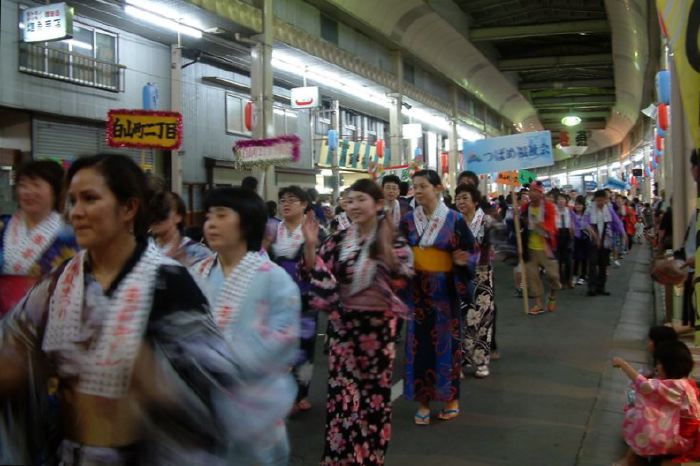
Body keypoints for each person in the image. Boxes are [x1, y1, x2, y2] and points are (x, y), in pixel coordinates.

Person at [0, 154, 235, 465]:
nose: (76, 212)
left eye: (90, 199)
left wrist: (157, 380)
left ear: (128, 208)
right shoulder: (59, 282)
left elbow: (218, 380)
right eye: (71, 201)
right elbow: (14, 346)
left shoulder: (168, 282)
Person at [303, 178, 413, 466]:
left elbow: (404, 277)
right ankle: (340, 458)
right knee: (342, 396)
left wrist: (388, 261)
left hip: (377, 331)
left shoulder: (394, 239)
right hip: (343, 328)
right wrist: (312, 247)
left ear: (378, 204)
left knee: (372, 397)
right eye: (350, 200)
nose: (354, 206)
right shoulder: (338, 239)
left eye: (361, 199)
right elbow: (318, 275)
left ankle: (369, 457)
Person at [190, 187, 301, 466]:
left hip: (253, 413)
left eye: (222, 215)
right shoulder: (196, 273)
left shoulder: (275, 280)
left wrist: (216, 360)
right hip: (200, 408)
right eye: (209, 216)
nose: (211, 223)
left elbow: (282, 344)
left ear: (247, 222)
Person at [401, 169, 475, 424]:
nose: (418, 191)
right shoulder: (409, 220)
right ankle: (423, 402)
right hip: (417, 294)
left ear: (438, 188)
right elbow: (399, 251)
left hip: (445, 294)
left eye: (423, 186)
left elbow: (471, 251)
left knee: (447, 349)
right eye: (415, 187)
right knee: (418, 348)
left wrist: (462, 262)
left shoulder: (454, 219)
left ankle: (450, 399)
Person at [0, 160, 79, 315]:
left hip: (48, 317)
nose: (28, 192)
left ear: (55, 191)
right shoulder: (3, 227)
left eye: (36, 185)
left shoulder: (70, 234)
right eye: (23, 185)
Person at [266, 186, 319, 414]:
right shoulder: (270, 228)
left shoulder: (314, 229)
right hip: (275, 296)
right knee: (277, 345)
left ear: (304, 205)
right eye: (282, 200)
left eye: (292, 200)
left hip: (304, 296)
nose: (285, 204)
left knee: (304, 348)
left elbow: (314, 267)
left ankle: (301, 394)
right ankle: (281, 394)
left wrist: (309, 244)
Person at [613, 341, 700, 465]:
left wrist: (624, 365)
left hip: (681, 439)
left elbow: (646, 387)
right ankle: (631, 458)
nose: (657, 367)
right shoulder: (685, 382)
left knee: (642, 418)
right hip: (681, 432)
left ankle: (630, 460)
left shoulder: (677, 385)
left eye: (659, 363)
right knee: (644, 413)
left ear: (669, 365)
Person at [455, 184, 495, 378]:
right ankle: (460, 361)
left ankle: (481, 360)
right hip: (461, 274)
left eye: (465, 198)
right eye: (458, 198)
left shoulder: (486, 221)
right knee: (462, 317)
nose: (461, 202)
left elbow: (498, 240)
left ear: (475, 201)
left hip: (482, 273)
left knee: (483, 319)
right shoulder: (453, 221)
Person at [519, 181, 561, 315]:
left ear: (540, 193)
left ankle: (553, 294)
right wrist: (517, 216)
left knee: (553, 275)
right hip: (529, 248)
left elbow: (552, 228)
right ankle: (538, 303)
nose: (531, 193)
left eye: (534, 191)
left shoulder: (549, 207)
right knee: (532, 276)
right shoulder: (525, 208)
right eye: (530, 191)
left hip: (545, 247)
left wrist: (538, 223)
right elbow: (519, 225)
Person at [148, 190, 211, 267]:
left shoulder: (197, 253)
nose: (155, 219)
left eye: (162, 213)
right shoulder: (142, 249)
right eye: (150, 214)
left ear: (178, 217)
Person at [583, 190, 625, 296]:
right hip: (593, 239)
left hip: (606, 239)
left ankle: (601, 287)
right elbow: (584, 222)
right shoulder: (590, 209)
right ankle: (591, 288)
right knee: (592, 264)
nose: (600, 202)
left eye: (602, 200)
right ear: (595, 200)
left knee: (603, 264)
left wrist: (623, 233)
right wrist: (592, 231)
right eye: (598, 200)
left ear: (606, 200)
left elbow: (617, 222)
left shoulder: (609, 209)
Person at [555, 193, 575, 288]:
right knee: (557, 261)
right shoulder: (553, 211)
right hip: (557, 234)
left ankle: (569, 280)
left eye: (563, 199)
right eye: (559, 199)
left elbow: (575, 222)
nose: (561, 201)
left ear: (566, 201)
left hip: (567, 234)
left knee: (568, 260)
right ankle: (560, 281)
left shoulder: (569, 210)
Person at [572, 196, 590, 286]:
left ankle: (583, 276)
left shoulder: (587, 215)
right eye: (576, 204)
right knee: (576, 257)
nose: (577, 206)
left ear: (583, 205)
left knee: (584, 258)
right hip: (576, 238)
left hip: (586, 238)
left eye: (579, 204)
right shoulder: (572, 214)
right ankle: (575, 275)